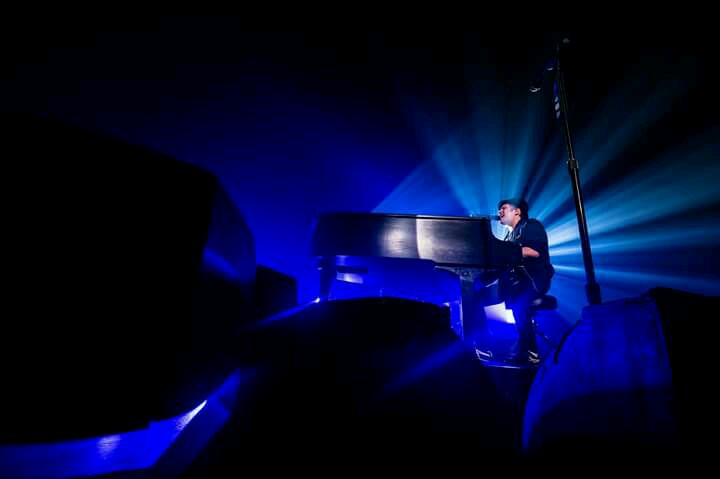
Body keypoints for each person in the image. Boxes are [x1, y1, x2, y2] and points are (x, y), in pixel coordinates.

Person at [497, 198, 554, 364]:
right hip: (519, 284)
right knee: (514, 308)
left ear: (517, 211)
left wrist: (502, 251)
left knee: (520, 307)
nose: (500, 211)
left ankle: (530, 350)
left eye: (504, 208)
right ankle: (527, 348)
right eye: (499, 209)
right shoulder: (510, 235)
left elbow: (533, 252)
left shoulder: (531, 225)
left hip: (534, 280)